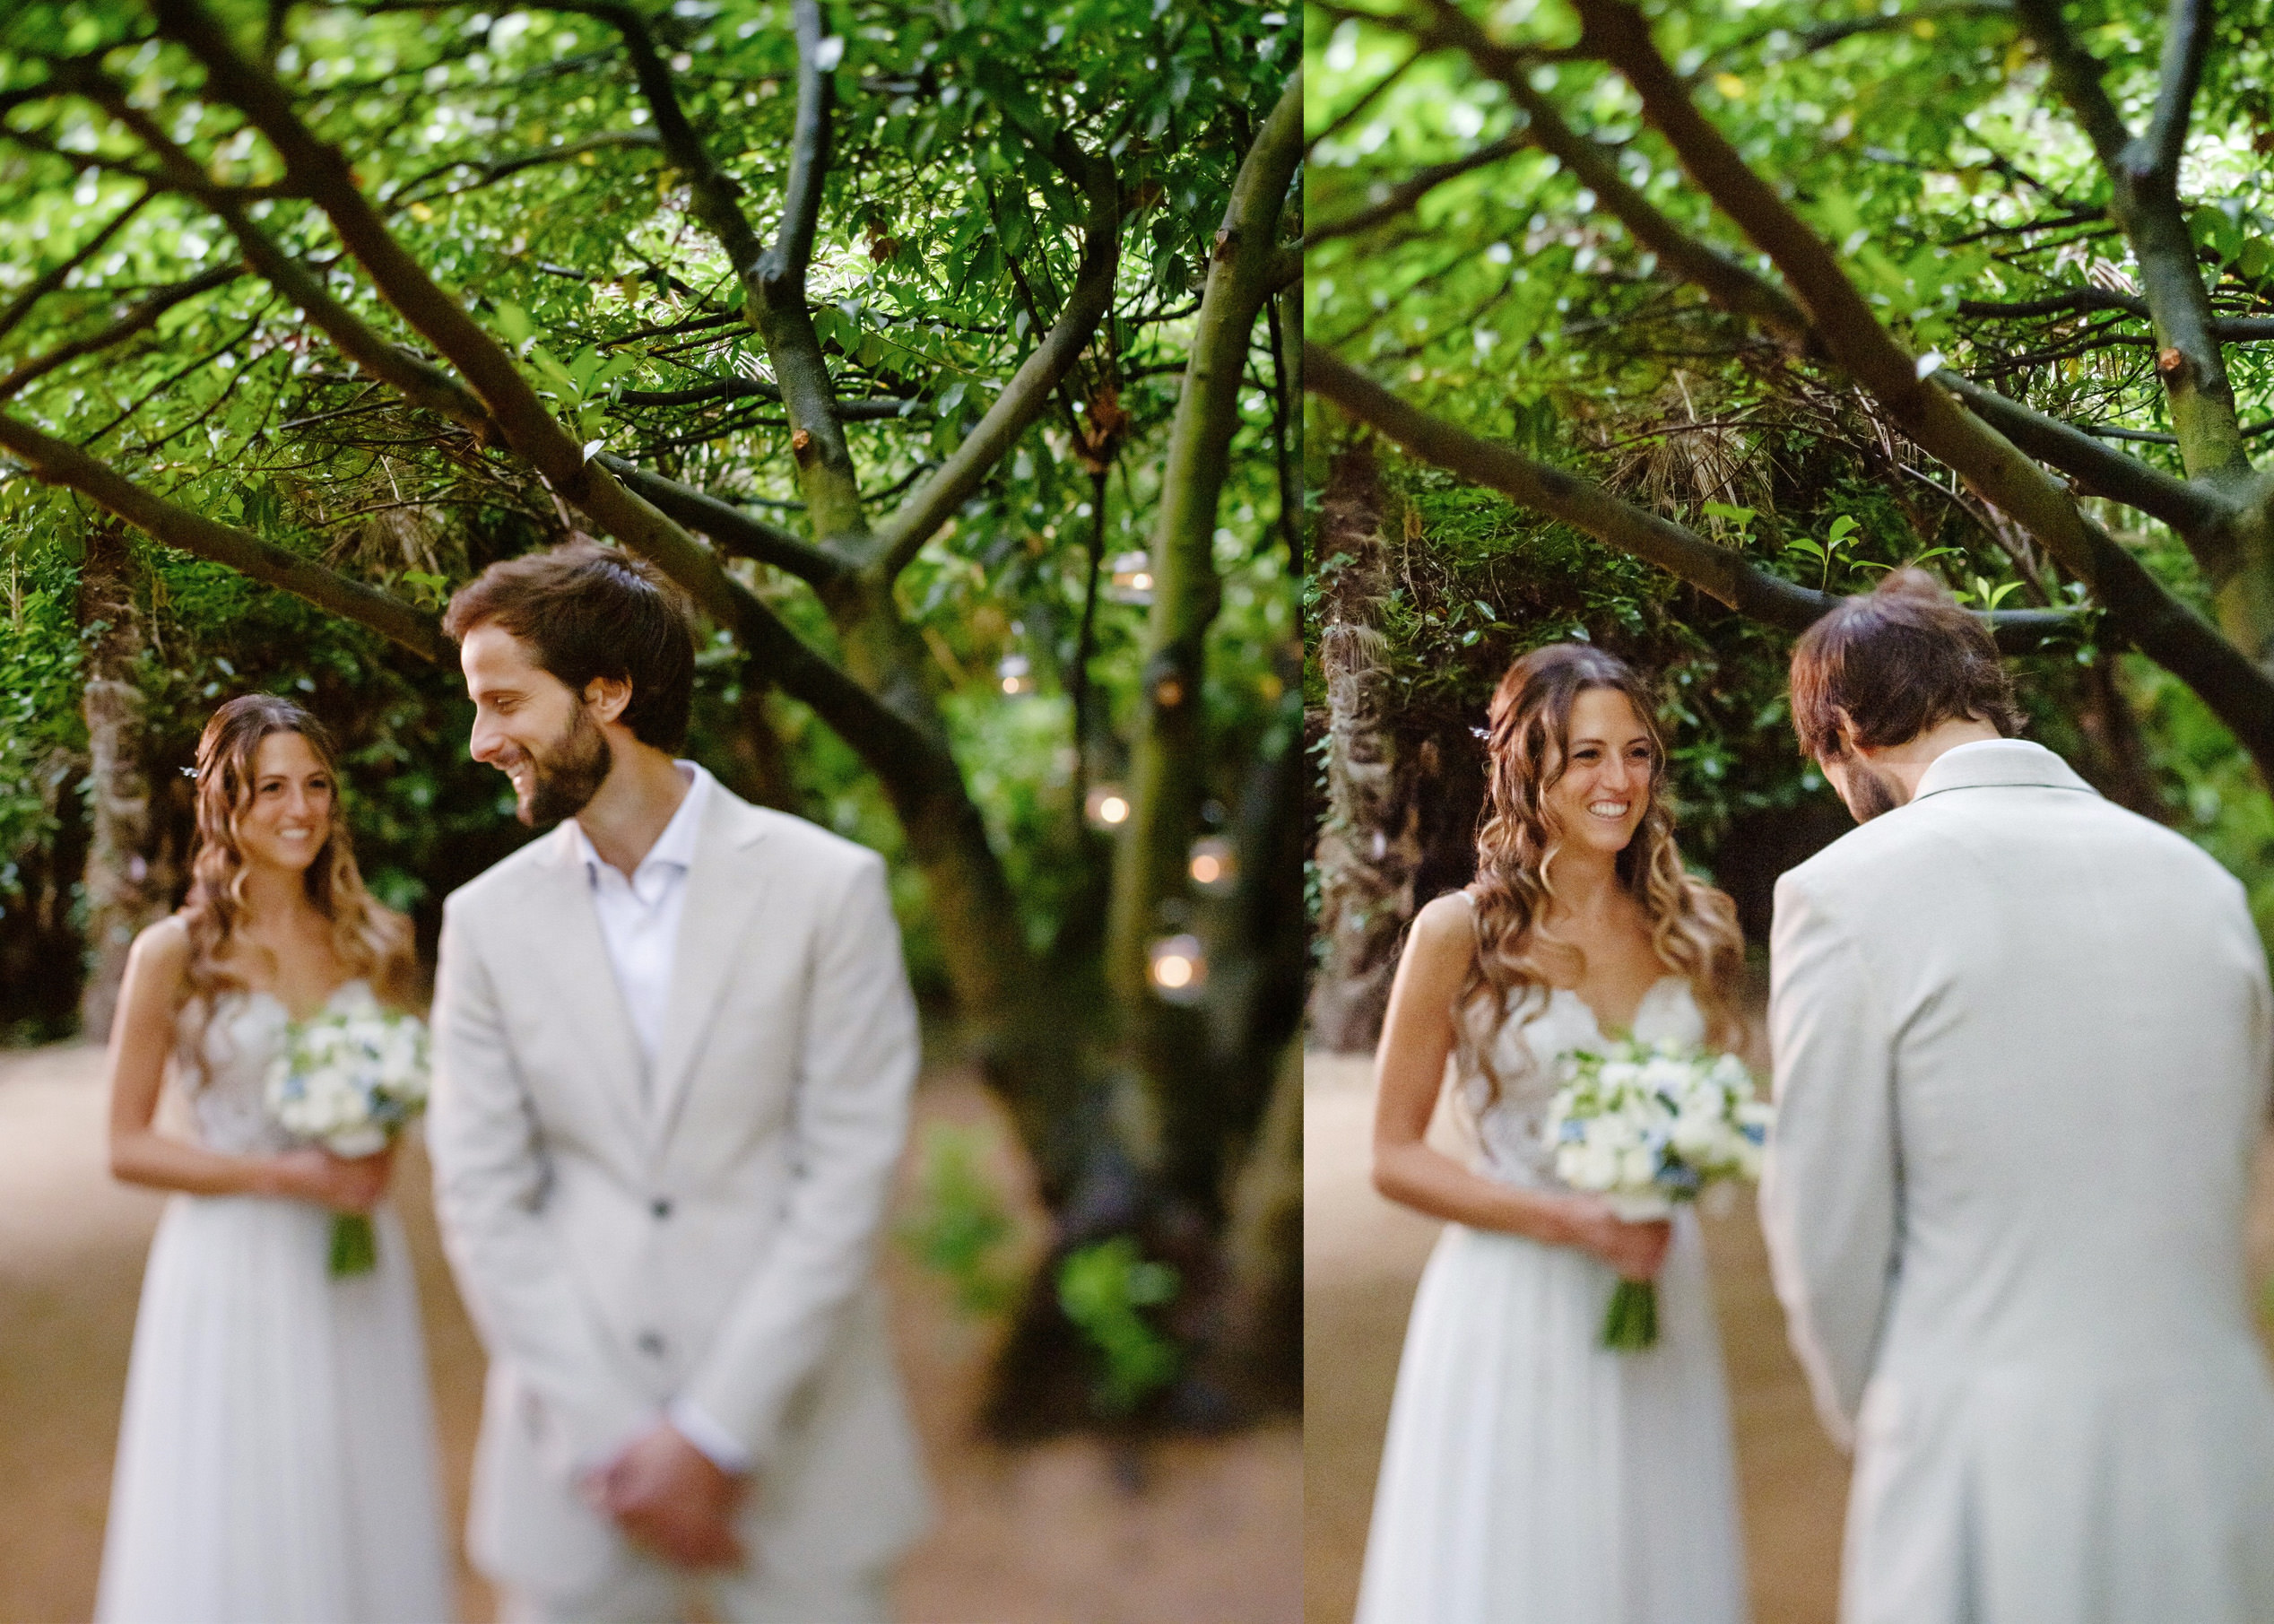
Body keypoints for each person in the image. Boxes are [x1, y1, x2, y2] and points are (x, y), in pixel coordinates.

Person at [427, 541, 931, 1624]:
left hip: (802, 1453)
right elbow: (479, 1193)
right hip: (578, 1469)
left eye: (505, 699)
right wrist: (623, 1439)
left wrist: (715, 1431)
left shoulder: (827, 889)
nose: (482, 740)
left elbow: (848, 1174)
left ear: (607, 691)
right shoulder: (485, 923)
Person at [1762, 569, 2274, 1623]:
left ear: (1847, 728)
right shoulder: (2201, 886)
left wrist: (1888, 1412)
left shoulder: (1840, 894)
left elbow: (1824, 1228)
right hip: (2219, 1442)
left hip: (1978, 1459)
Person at [1353, 642, 1749, 1624]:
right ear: (1527, 764)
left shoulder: (1698, 926)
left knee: (1652, 1558)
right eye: (1585, 755)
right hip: (1514, 1298)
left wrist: (1682, 1163)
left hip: (1656, 1283)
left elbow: (1712, 1101)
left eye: (1638, 753)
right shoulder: (1460, 933)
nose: (1618, 781)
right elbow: (1392, 1155)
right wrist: (1572, 1220)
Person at [94, 694, 453, 1624]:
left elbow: (402, 1087)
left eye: (317, 785)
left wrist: (378, 1142)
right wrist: (278, 1175)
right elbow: (126, 1144)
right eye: (271, 789)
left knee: (355, 1469)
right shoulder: (173, 952)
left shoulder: (377, 937)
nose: (299, 809)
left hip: (352, 1259)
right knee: (244, 1488)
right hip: (232, 1259)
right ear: (223, 805)